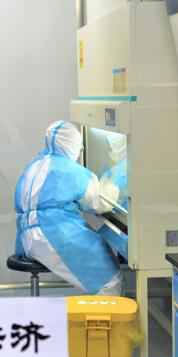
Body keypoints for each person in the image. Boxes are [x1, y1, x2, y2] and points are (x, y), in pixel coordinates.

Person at [14, 121, 122, 295]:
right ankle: (102, 313)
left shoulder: (34, 165)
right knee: (109, 281)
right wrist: (116, 181)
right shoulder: (70, 170)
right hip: (53, 236)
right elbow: (101, 203)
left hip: (27, 238)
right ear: (71, 145)